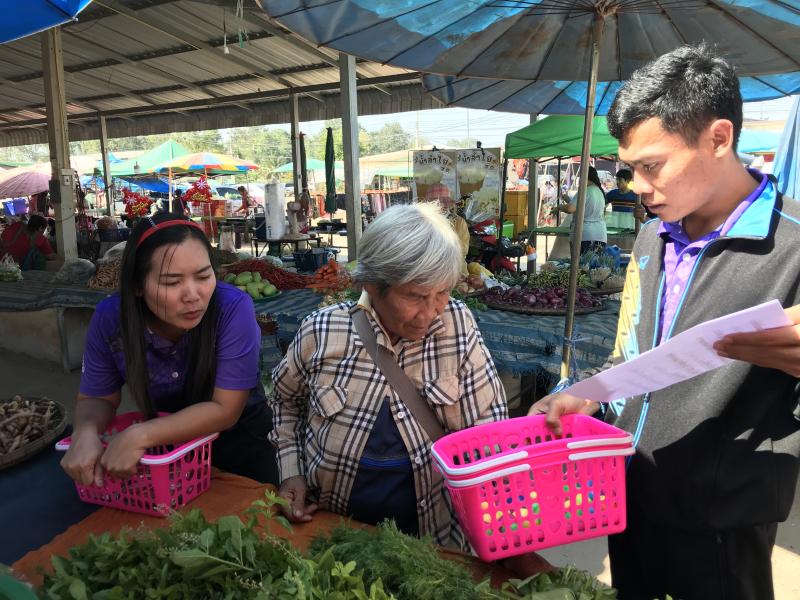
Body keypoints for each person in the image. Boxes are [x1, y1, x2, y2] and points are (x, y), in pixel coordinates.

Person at [530, 45, 800, 600]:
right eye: (628, 169)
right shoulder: (653, 237)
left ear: (718, 138)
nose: (636, 186)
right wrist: (590, 395)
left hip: (723, 520)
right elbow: (631, 350)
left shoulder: (792, 243)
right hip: (627, 495)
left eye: (651, 166)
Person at [270, 203, 556, 572]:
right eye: (416, 296)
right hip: (335, 537)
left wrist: (512, 530)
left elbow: (490, 435)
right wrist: (291, 470)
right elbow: (285, 401)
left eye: (443, 293)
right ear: (372, 285)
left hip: (431, 548)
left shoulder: (457, 326)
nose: (431, 311)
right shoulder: (322, 331)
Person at [61, 213, 278, 487]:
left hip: (243, 444)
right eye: (172, 282)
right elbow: (98, 398)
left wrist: (140, 435)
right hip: (165, 451)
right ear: (137, 285)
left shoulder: (232, 308)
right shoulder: (111, 319)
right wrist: (85, 431)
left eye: (203, 276)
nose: (193, 295)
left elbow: (225, 409)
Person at [557, 166, 607, 254]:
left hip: (584, 236)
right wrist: (568, 200)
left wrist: (559, 207)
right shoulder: (599, 191)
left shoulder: (584, 191)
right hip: (600, 235)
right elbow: (582, 206)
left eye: (580, 176)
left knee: (582, 262)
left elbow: (570, 209)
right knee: (595, 262)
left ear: (585, 176)